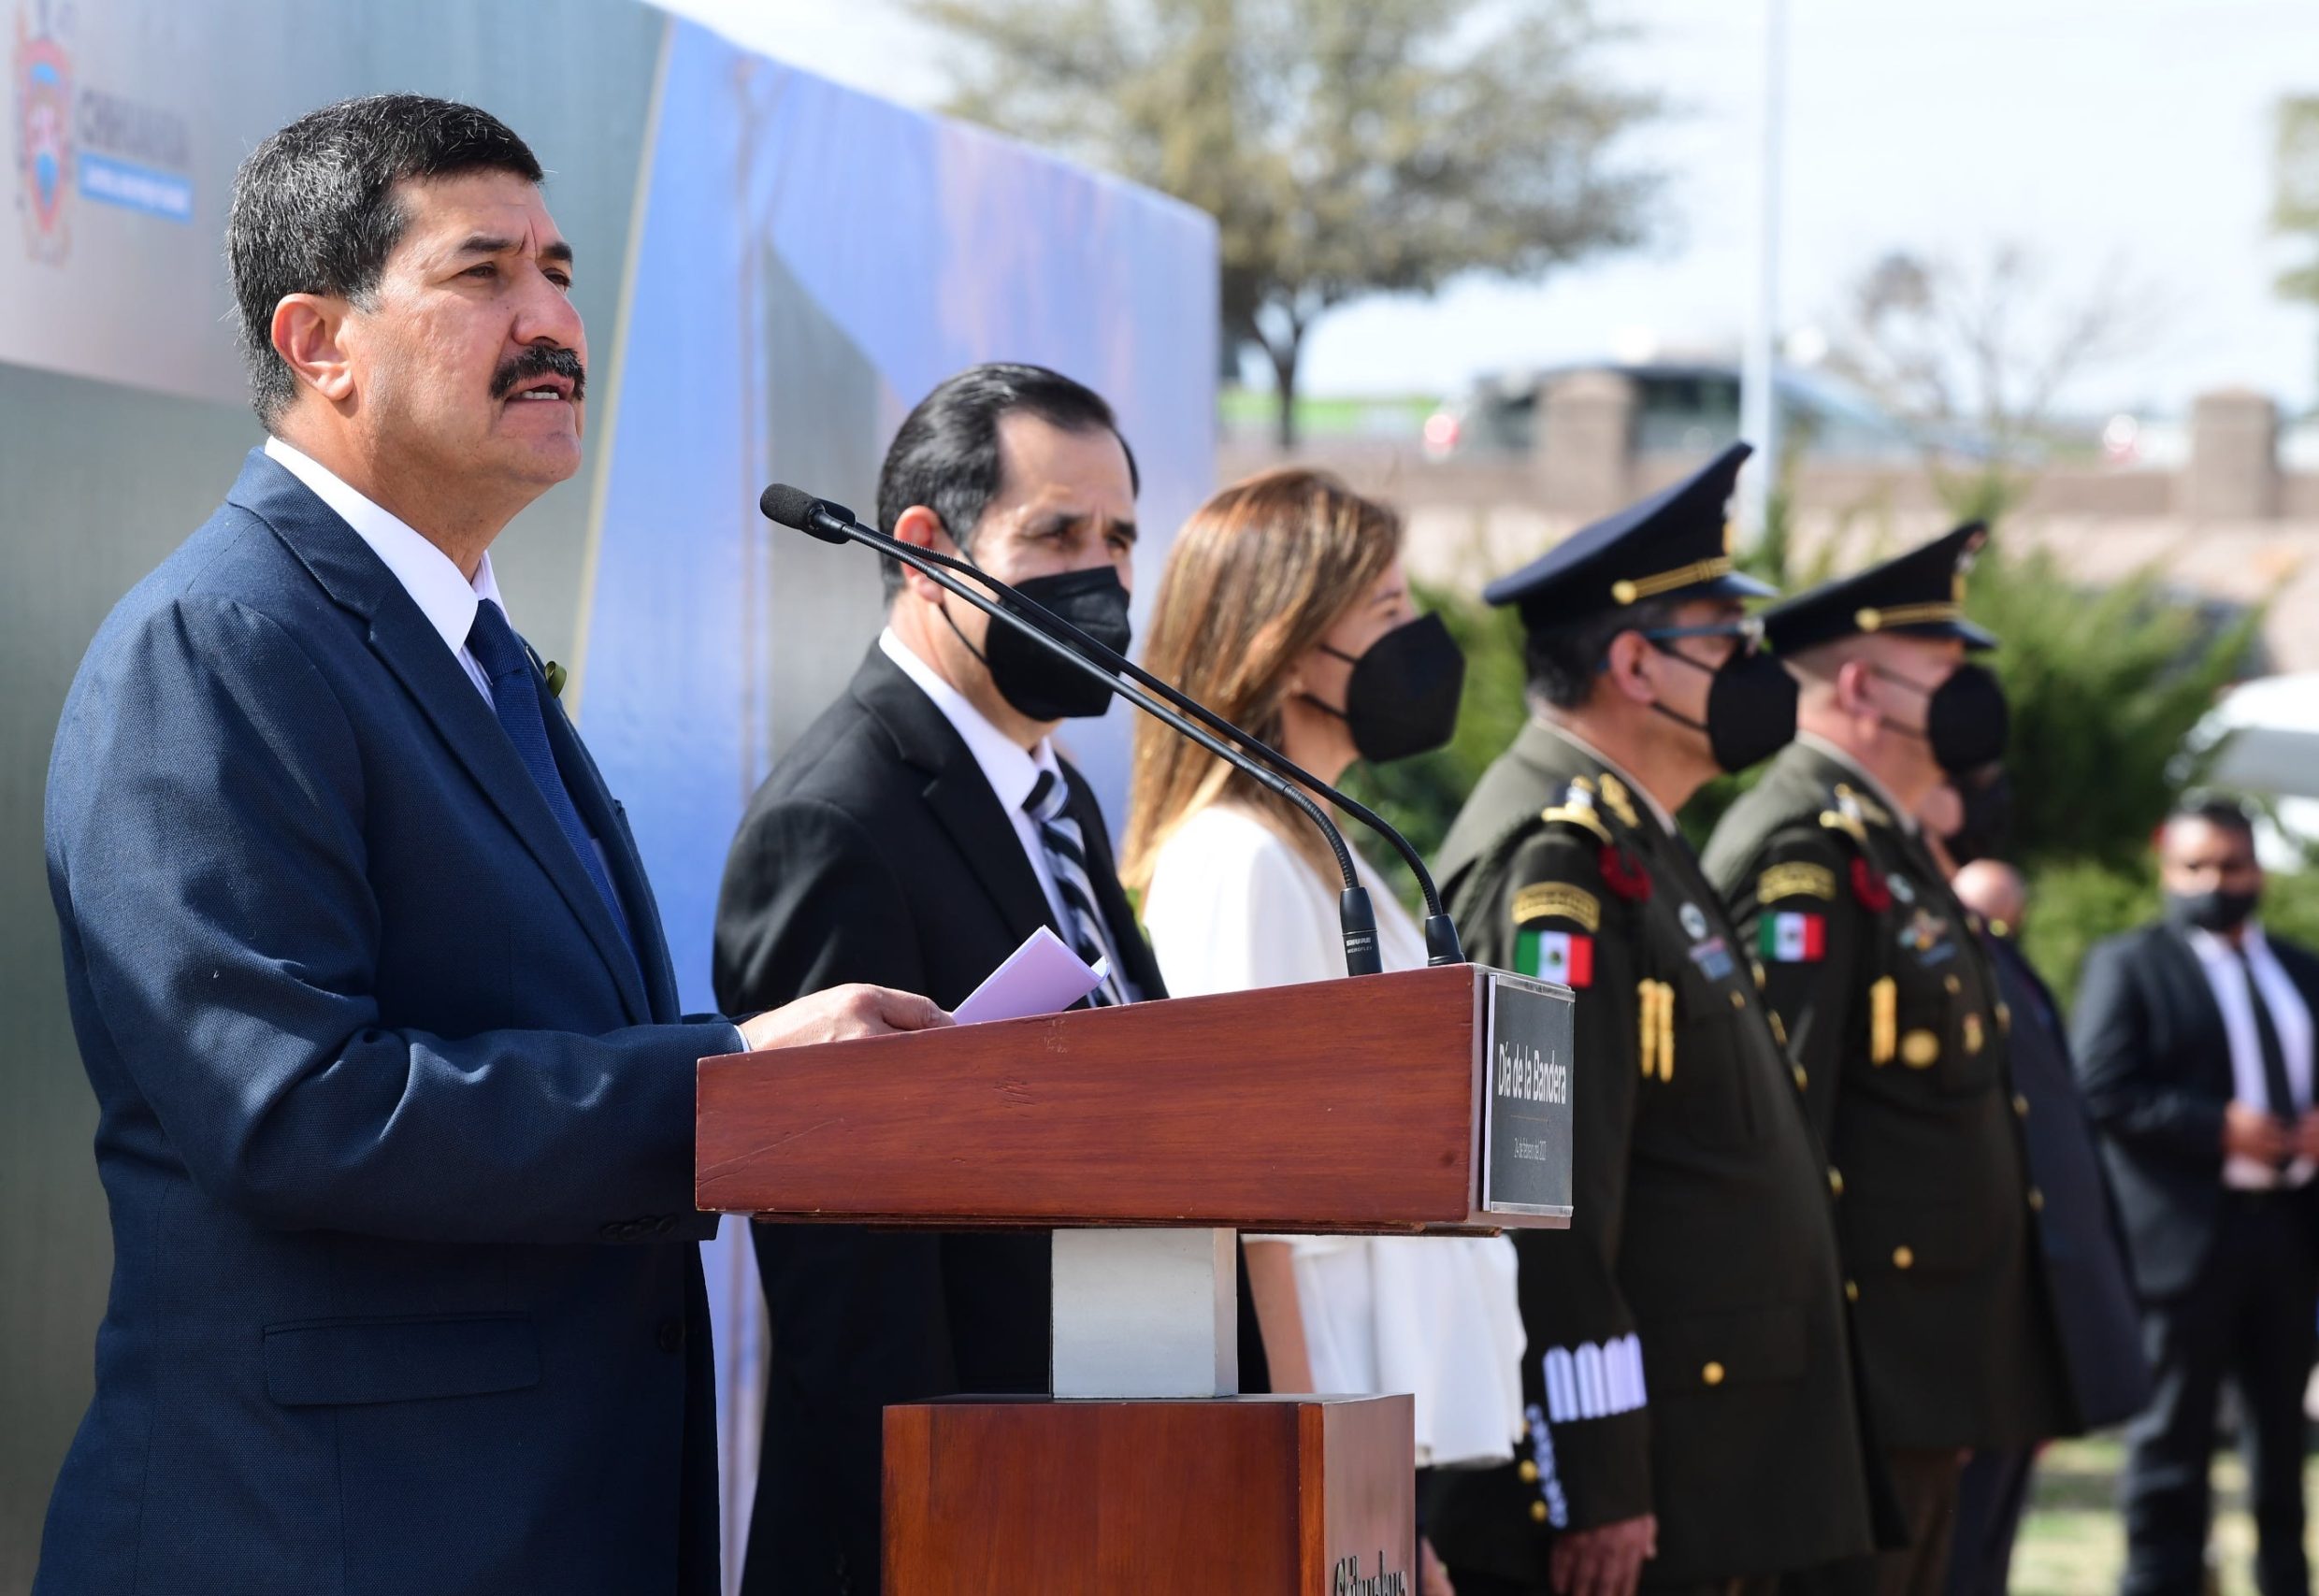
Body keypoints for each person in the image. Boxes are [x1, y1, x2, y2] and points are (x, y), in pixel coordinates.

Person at [33, 95, 949, 1596]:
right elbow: (293, 1107)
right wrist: (727, 1082)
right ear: (318, 341)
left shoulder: (467, 642)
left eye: (562, 267)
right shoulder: (218, 646)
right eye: (483, 274)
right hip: (321, 1537)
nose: (553, 320)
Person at [713, 363, 1193, 1596]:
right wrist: (955, 1530)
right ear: (925, 548)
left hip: (1113, 1472)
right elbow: (850, 1281)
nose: (1103, 574)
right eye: (1056, 533)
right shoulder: (837, 819)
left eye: (1121, 536)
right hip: (953, 1525)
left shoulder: (1057, 792)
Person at [1429, 443, 1880, 1596]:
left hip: (1718, 1450)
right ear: (1635, 662)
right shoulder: (1560, 862)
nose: (1753, 670)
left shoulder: (1636, 837)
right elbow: (1547, 1193)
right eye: (1724, 642)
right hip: (1650, 1474)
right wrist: (1598, 1469)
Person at [1123, 467, 1522, 1596]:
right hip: (1330, 1449)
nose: (1420, 640)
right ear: (1290, 644)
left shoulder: (1330, 846)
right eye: (1386, 611)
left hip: (1379, 1440)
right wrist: (1338, 1482)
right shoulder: (1237, 857)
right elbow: (1251, 1209)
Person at [1702, 526, 2074, 1596]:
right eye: (1945, 675)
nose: (1969, 700)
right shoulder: (1804, 852)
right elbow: (1784, 1131)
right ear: (1861, 685)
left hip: (1927, 1370)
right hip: (1863, 1374)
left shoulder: (1883, 839)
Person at [2073, 797, 2319, 1596]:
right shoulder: (2130, 963)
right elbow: (2102, 1088)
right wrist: (2219, 1128)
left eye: (2231, 865)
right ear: (2168, 871)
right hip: (2183, 1238)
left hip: (2286, 1234)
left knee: (2282, 1446)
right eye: (2196, 867)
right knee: (2169, 1443)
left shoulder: (2300, 970)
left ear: (2258, 870)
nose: (2215, 881)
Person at [1941, 853, 2153, 1596]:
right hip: (1964, 1306)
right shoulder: (1952, 976)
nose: (1985, 929)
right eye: (1973, 913)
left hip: (2025, 1298)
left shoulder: (2014, 978)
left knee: (1989, 1540)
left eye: (1999, 917)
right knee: (1952, 1544)